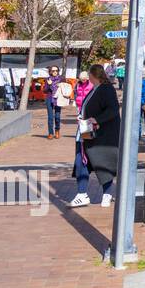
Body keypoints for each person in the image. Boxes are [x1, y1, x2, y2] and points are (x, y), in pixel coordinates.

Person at [73, 64, 121, 208]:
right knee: (82, 162)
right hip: (88, 133)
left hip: (102, 136)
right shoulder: (96, 89)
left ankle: (106, 193)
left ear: (94, 75)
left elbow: (113, 109)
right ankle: (82, 194)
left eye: (89, 74)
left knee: (102, 163)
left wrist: (97, 120)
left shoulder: (106, 89)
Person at [45, 66, 64, 139]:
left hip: (58, 99)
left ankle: (57, 130)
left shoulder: (61, 79)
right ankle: (50, 133)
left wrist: (60, 86)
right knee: (50, 117)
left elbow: (65, 88)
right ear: (50, 71)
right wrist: (49, 84)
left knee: (57, 117)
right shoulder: (48, 79)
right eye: (53, 71)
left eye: (56, 70)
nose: (55, 72)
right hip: (50, 99)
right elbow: (45, 90)